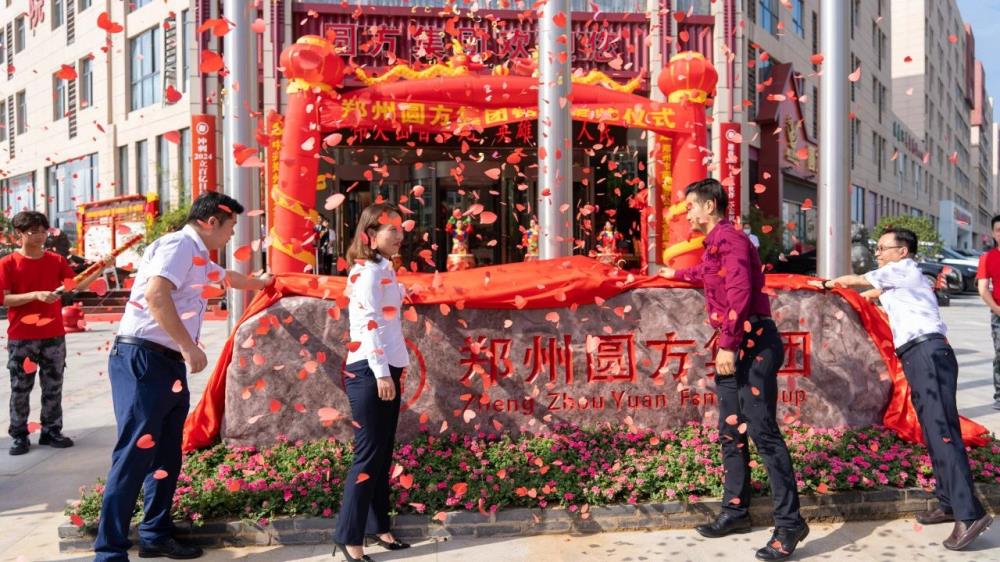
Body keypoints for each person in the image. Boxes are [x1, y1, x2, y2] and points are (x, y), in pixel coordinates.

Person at [93, 192, 273, 561]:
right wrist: (189, 347)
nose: (231, 235)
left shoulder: (198, 255)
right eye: (230, 227)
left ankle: (155, 534)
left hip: (166, 363)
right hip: (143, 359)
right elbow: (156, 295)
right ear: (211, 222)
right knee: (134, 454)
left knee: (167, 455)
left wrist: (263, 284)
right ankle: (109, 551)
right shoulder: (177, 246)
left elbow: (228, 278)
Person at [815, 227, 993, 551]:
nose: (878, 254)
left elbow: (857, 282)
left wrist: (827, 283)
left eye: (883, 248)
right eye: (878, 248)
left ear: (902, 251)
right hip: (920, 356)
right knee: (933, 431)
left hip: (928, 353)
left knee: (942, 433)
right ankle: (948, 502)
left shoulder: (903, 269)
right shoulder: (898, 280)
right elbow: (867, 295)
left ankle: (970, 514)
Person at [659, 179, 808, 561]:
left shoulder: (732, 240)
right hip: (737, 343)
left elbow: (740, 292)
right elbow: (706, 275)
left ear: (710, 206)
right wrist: (672, 275)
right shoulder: (714, 245)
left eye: (691, 206)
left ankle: (790, 523)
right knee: (731, 430)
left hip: (752, 343)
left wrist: (728, 343)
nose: (688, 213)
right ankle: (736, 510)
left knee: (763, 434)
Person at [334, 202, 411, 562]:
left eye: (400, 228)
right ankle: (349, 538)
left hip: (385, 366)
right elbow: (369, 323)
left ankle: (379, 527)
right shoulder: (365, 273)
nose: (399, 235)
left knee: (382, 454)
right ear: (370, 235)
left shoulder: (383, 268)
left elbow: (385, 308)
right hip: (369, 370)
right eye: (391, 229)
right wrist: (381, 372)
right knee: (367, 457)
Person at [2, 210, 113, 456]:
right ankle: (19, 435)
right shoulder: (8, 263)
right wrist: (35, 295)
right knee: (21, 387)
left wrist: (100, 268)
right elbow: (5, 299)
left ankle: (51, 431)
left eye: (43, 231)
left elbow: (76, 285)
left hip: (53, 335)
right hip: (22, 337)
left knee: (53, 385)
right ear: (19, 233)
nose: (40, 236)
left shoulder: (56, 261)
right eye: (34, 232)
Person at [975, 214, 1000, 410]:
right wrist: (997, 309)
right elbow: (983, 289)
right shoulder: (987, 258)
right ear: (993, 233)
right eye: (998, 230)